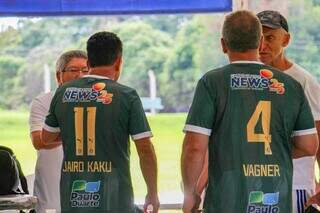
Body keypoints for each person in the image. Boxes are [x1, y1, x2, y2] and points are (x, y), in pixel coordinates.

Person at [181, 10, 319, 213]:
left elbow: (195, 147)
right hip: (277, 194)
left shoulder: (212, 82)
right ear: (260, 42)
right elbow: (309, 145)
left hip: (227, 196)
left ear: (223, 44)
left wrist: (191, 192)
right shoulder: (292, 85)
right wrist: (273, 153)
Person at [41, 31, 159, 213]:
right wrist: (152, 192)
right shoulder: (127, 95)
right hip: (115, 198)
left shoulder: (63, 92)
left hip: (74, 196)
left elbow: (46, 138)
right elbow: (144, 148)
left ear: (88, 63)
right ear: (118, 61)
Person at [257, 10, 320, 213]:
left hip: (295, 184)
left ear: (286, 40)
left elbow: (318, 134)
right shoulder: (244, 78)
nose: (262, 45)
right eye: (257, 38)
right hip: (254, 183)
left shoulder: (303, 81)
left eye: (270, 38)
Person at [29, 50, 88, 212]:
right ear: (58, 76)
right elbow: (39, 141)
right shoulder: (43, 102)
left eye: (85, 70)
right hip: (52, 189)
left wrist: (56, 133)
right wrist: (77, 131)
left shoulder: (100, 102)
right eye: (74, 70)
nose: (81, 75)